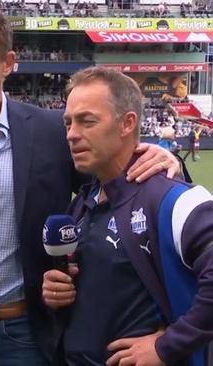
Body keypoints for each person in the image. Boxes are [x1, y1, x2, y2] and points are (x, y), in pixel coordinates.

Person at [0, 7, 180, 366]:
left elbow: (114, 184)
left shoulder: (51, 132)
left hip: (20, 332)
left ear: (9, 63)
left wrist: (165, 160)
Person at [43, 66, 213, 366]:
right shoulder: (82, 205)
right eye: (68, 122)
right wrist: (58, 291)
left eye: (87, 121)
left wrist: (168, 346)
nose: (71, 134)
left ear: (127, 123)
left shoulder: (175, 201)